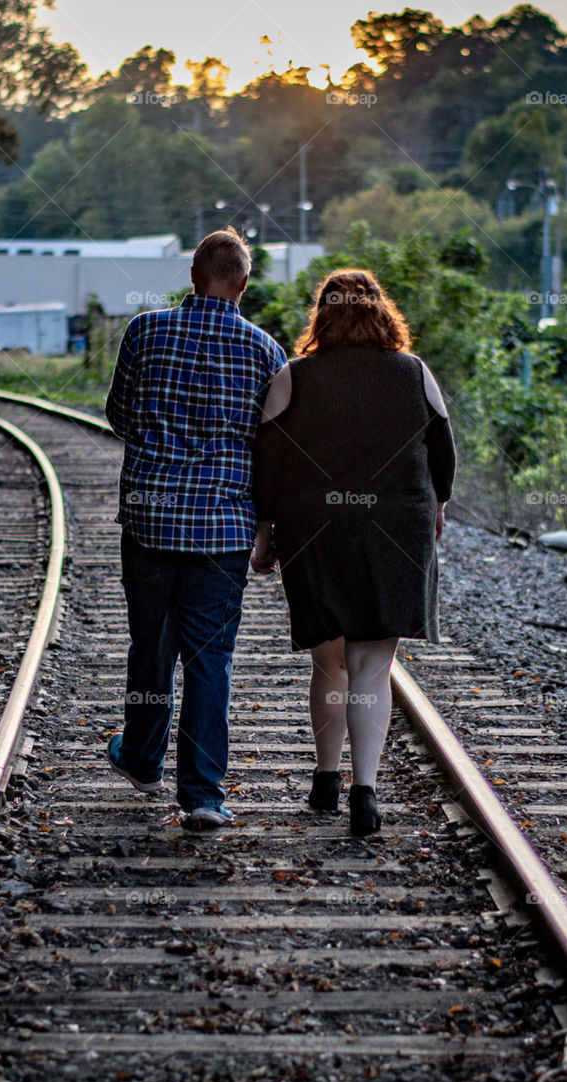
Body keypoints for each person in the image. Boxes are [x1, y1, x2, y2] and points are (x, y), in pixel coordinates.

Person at [252, 268, 456, 836]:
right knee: (373, 665)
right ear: (380, 311)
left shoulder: (293, 376)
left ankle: (325, 779)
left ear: (322, 315)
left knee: (330, 660)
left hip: (317, 529)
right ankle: (364, 792)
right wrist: (437, 505)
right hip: (396, 527)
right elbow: (442, 450)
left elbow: (267, 462)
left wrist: (264, 533)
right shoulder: (414, 372)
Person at [105, 228, 287, 830]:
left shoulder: (145, 331)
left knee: (151, 648)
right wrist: (269, 528)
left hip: (152, 522)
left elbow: (119, 415)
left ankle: (141, 760)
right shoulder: (265, 351)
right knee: (211, 661)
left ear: (192, 277)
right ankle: (204, 797)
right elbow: (273, 448)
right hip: (223, 531)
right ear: (242, 284)